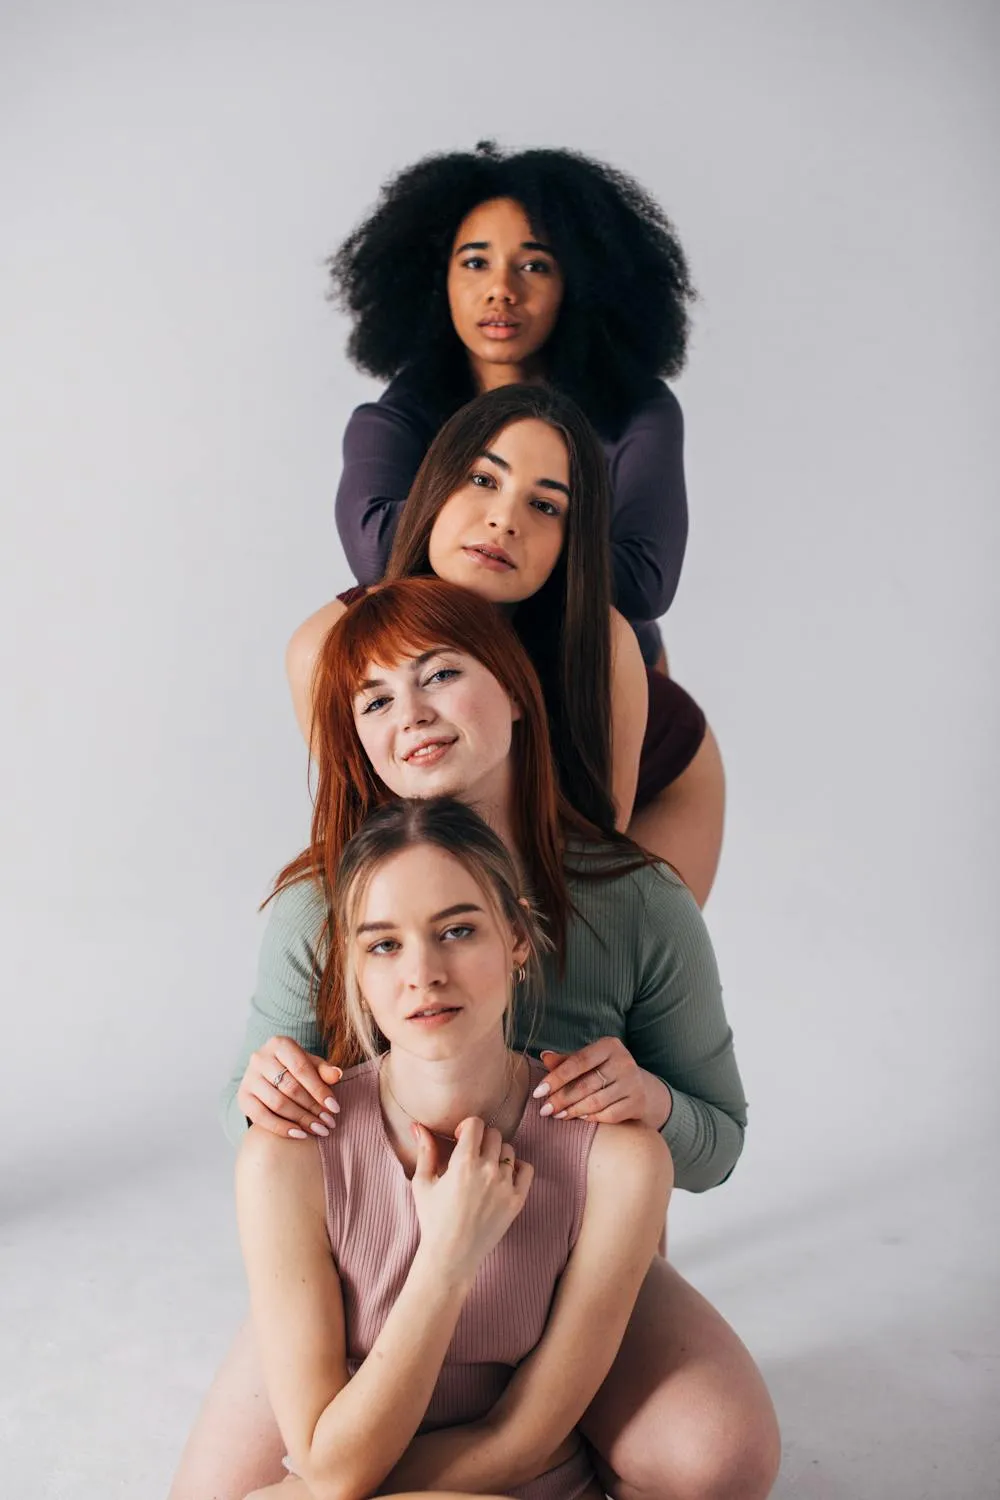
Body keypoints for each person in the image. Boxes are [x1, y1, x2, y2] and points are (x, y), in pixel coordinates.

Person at [170, 579, 778, 1500]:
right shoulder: (316, 905)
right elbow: (260, 1135)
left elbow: (716, 1142)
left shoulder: (637, 901)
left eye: (441, 675)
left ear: (514, 689)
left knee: (716, 1458)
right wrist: (261, 1091)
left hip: (571, 1239)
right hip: (376, 1251)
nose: (410, 715)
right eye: (374, 700)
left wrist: (651, 1104)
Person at [293, 143, 725, 899]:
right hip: (455, 689)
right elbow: (376, 557)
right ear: (435, 278)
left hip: (608, 707)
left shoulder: (638, 409)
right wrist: (552, 546)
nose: (502, 290)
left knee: (607, 967)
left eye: (534, 265)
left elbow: (647, 577)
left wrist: (479, 550)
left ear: (578, 283)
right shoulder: (392, 418)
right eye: (474, 263)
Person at [236, 795, 672, 1500]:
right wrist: (445, 1258)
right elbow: (321, 1458)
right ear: (353, 968)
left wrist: (327, 1484)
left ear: (518, 939)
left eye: (458, 931)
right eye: (384, 944)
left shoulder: (619, 1160)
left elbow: (519, 1442)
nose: (424, 973)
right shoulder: (286, 1157)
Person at [289, 384, 719, 903]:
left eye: (544, 505)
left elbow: (584, 863)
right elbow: (366, 837)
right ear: (434, 486)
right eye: (482, 478)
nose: (504, 520)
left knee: (600, 942)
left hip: (665, 777)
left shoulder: (603, 641)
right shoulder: (326, 646)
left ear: (569, 541)